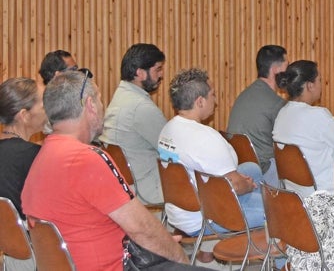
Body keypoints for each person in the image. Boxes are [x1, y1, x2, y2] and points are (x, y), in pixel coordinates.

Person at [21, 71, 203, 271]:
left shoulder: (42, 156)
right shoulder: (87, 159)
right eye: (99, 99)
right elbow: (142, 230)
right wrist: (181, 260)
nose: (102, 107)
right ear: (89, 105)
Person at [157, 68, 265, 236]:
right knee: (280, 212)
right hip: (206, 217)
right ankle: (270, 250)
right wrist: (247, 185)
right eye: (212, 95)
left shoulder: (167, 129)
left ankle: (254, 224)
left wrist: (240, 181)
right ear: (200, 101)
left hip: (179, 212)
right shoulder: (206, 137)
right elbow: (234, 186)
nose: (215, 101)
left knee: (251, 169)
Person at [99, 43, 167, 204]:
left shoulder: (120, 98)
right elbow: (174, 149)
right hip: (148, 188)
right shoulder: (140, 107)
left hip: (127, 187)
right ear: (140, 73)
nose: (162, 74)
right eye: (158, 69)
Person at [272, 60, 334, 196]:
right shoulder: (318, 115)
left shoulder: (281, 114)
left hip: (296, 198)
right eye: (319, 80)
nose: (321, 85)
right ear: (310, 85)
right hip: (326, 197)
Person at [0, 78, 47, 271]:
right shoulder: (35, 157)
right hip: (29, 257)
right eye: (44, 104)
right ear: (24, 115)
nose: (48, 110)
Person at [227, 45, 288, 185]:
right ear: (275, 70)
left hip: (240, 167)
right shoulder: (276, 104)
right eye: (287, 67)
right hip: (265, 170)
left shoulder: (243, 96)